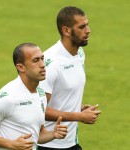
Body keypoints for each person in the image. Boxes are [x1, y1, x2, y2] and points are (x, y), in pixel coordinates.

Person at [0, 43, 67, 150]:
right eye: (35, 60)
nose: (43, 65)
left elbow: (36, 134)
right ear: (21, 67)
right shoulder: (7, 98)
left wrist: (53, 134)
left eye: (42, 58)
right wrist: (11, 144)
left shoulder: (40, 94)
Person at [38, 6, 101, 150]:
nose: (88, 30)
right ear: (66, 31)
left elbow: (61, 94)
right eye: (82, 27)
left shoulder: (79, 53)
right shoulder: (51, 64)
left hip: (70, 142)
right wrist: (79, 116)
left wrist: (79, 106)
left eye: (87, 24)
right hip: (48, 145)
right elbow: (39, 109)